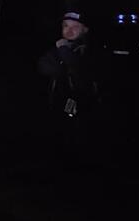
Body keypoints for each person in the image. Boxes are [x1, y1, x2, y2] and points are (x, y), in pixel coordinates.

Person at [37, 11, 105, 169]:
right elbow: (43, 66)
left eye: (75, 26)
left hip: (85, 111)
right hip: (58, 109)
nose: (69, 30)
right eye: (66, 26)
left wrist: (65, 56)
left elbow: (81, 72)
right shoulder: (57, 49)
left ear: (85, 29)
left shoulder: (92, 51)